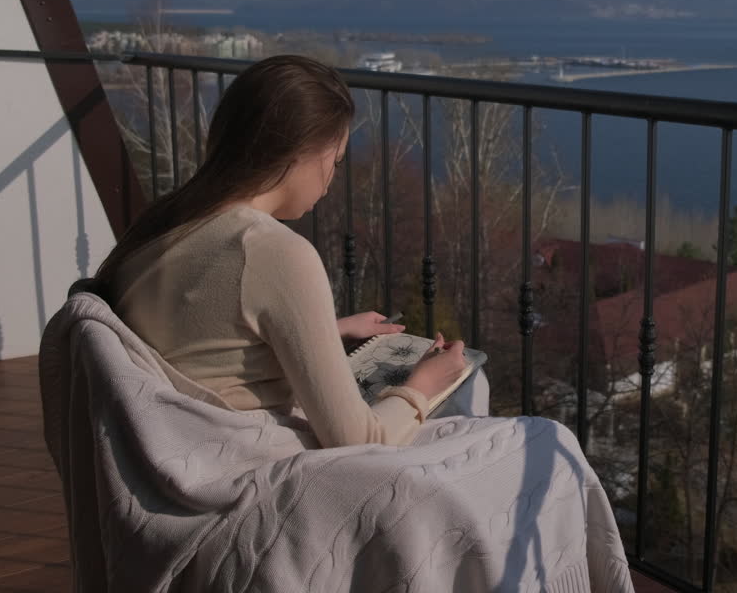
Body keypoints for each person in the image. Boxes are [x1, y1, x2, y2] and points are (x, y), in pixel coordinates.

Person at [96, 55, 467, 447]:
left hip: (173, 448)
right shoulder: (271, 251)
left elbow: (198, 337)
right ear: (300, 152)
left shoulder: (163, 223)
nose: (331, 180)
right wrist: (423, 386)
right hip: (243, 470)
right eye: (336, 161)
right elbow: (359, 442)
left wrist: (326, 329)